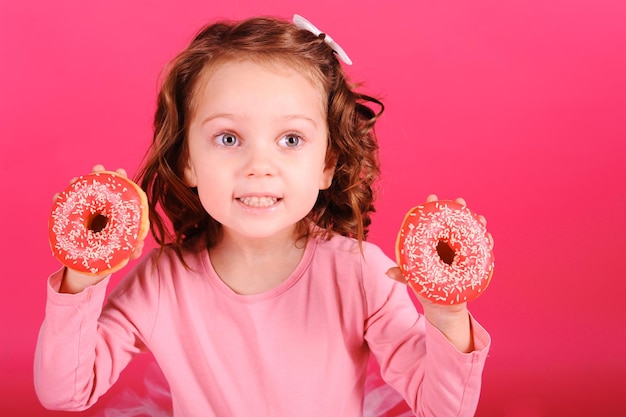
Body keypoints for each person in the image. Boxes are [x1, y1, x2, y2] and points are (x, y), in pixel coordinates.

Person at [35, 14, 491, 417]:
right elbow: (64, 392)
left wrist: (447, 316)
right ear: (187, 161)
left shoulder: (361, 273)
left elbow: (443, 410)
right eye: (228, 138)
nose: (259, 165)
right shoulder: (162, 281)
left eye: (291, 139)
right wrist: (82, 275)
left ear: (328, 163)